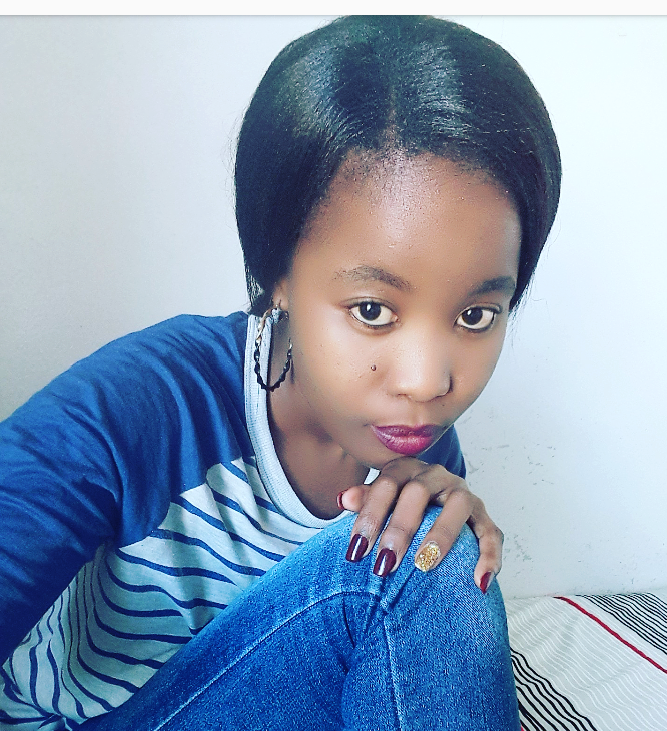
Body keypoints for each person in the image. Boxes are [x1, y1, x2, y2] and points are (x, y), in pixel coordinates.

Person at [0, 15, 560, 730]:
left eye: (476, 315)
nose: (427, 382)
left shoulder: (416, 446)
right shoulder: (143, 403)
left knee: (430, 544)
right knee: (416, 568)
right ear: (276, 275)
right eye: (372, 310)